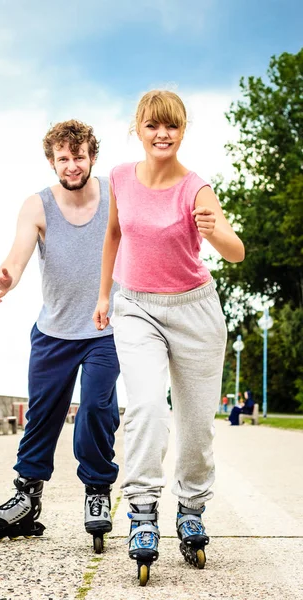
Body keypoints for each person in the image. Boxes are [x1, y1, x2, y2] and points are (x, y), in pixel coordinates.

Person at [93, 90, 245, 584]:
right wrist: (103, 296)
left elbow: (235, 250)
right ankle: (141, 510)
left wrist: (213, 232)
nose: (163, 135)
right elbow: (113, 234)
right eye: (154, 126)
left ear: (183, 131)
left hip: (194, 311)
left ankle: (192, 509)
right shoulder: (119, 177)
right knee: (146, 408)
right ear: (138, 127)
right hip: (136, 305)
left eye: (172, 127)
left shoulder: (196, 188)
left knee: (197, 423)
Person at [0, 120, 120, 553]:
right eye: (64, 158)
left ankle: (97, 490)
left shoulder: (116, 196)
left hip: (104, 328)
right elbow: (19, 254)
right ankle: (27, 496)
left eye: (79, 156)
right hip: (53, 331)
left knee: (97, 406)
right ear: (52, 161)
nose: (72, 165)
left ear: (92, 156)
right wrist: (8, 277)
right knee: (41, 416)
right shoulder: (37, 206)